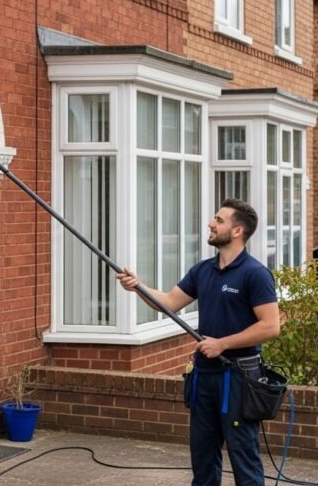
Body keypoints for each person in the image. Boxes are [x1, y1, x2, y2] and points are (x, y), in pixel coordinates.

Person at [116, 199, 280, 486]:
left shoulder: (255, 274)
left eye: (219, 219)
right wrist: (137, 286)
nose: (210, 223)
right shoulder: (203, 270)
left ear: (237, 230)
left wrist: (223, 344)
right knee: (203, 456)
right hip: (204, 375)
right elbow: (168, 302)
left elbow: (270, 326)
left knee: (244, 456)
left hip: (238, 376)